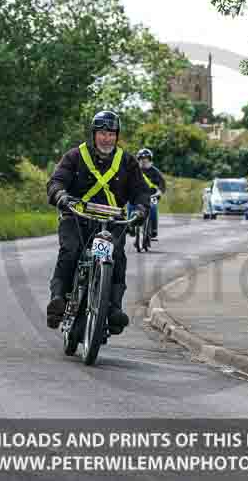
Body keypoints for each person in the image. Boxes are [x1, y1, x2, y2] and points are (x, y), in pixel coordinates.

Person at [45, 110, 150, 334]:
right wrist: (61, 196)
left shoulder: (128, 162)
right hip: (77, 217)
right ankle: (58, 300)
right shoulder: (75, 156)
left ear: (117, 136)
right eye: (102, 133)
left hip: (111, 222)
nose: (107, 138)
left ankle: (113, 309)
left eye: (111, 134)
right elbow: (56, 181)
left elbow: (141, 191)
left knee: (117, 257)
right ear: (94, 135)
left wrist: (141, 208)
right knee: (70, 252)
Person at [127, 148, 166, 240]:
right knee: (130, 206)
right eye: (141, 159)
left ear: (150, 160)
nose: (144, 161)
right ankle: (130, 226)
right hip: (137, 196)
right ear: (138, 160)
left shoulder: (155, 172)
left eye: (146, 159)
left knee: (153, 208)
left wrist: (159, 192)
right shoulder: (134, 171)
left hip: (151, 196)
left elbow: (162, 184)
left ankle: (154, 229)